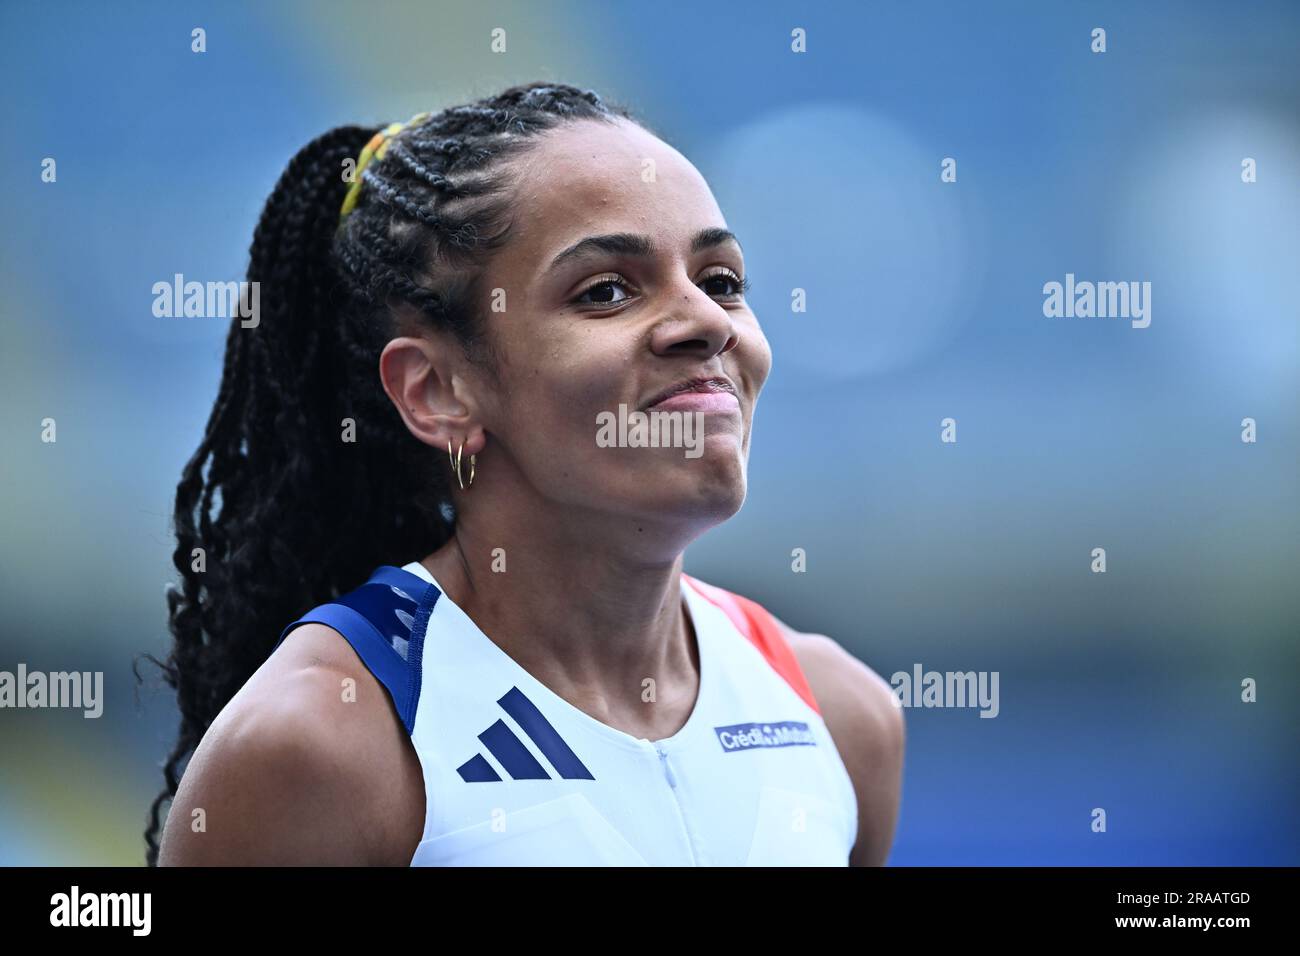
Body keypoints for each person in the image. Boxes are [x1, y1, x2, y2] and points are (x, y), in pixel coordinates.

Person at [148, 81, 904, 866]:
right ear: (439, 391)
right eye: (606, 291)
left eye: (721, 282)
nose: (708, 323)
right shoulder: (322, 746)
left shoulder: (839, 715)